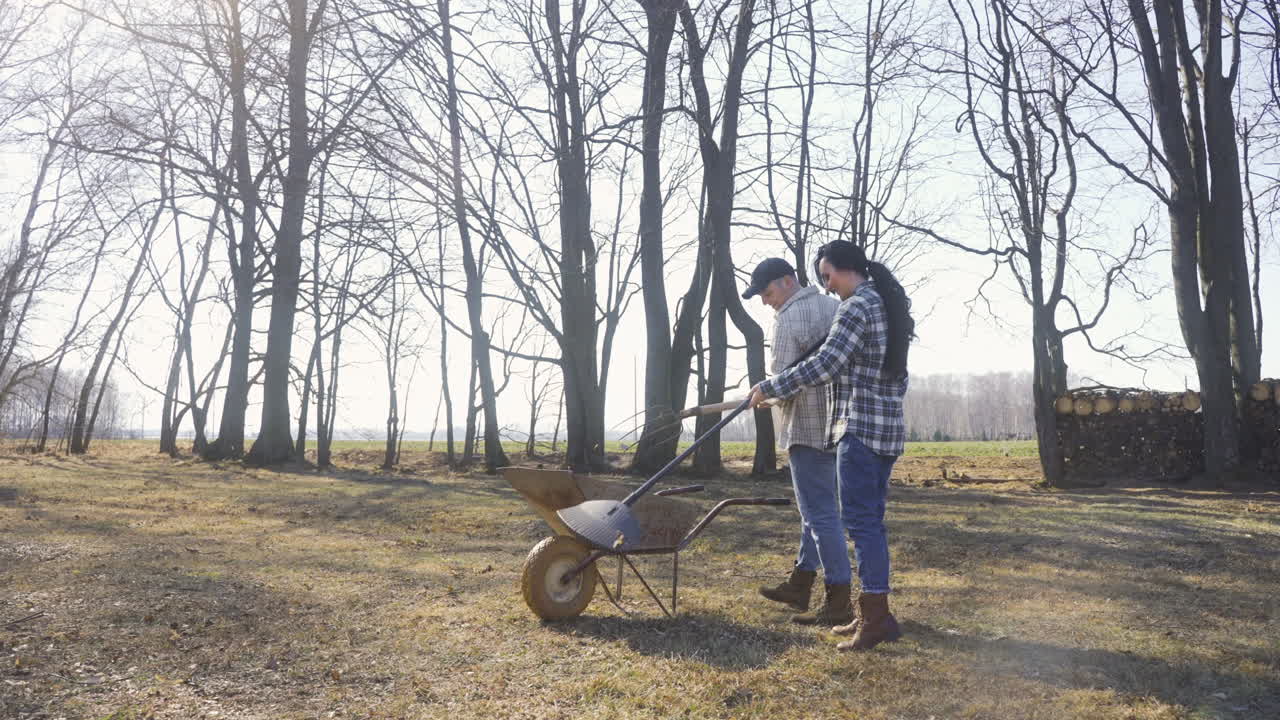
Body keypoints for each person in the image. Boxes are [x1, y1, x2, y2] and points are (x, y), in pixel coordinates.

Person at [750, 241, 913, 651]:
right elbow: (895, 376)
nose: (827, 284)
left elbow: (826, 363)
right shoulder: (885, 304)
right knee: (869, 524)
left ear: (847, 270)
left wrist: (771, 386)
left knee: (861, 526)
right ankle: (874, 615)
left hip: (858, 430)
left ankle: (874, 618)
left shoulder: (858, 305)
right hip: (886, 430)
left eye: (828, 275)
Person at [741, 258, 852, 627]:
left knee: (820, 515)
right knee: (817, 510)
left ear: (788, 281)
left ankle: (839, 600)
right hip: (839, 426)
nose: (765, 301)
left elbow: (785, 382)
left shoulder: (788, 319)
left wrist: (765, 395)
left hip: (806, 428)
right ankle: (800, 583)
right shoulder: (836, 307)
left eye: (767, 292)